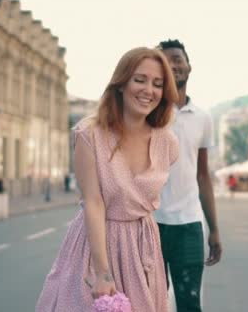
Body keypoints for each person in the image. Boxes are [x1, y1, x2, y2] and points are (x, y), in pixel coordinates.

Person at [35, 47, 179, 312]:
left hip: (143, 247)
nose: (149, 90)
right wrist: (103, 272)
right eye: (140, 79)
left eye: (158, 84)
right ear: (121, 83)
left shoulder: (167, 142)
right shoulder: (90, 134)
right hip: (97, 245)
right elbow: (93, 202)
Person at [155, 39, 222, 311]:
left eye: (178, 59)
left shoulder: (203, 117)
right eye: (165, 60)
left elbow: (202, 175)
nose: (173, 64)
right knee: (152, 303)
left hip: (189, 225)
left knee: (190, 304)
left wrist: (214, 228)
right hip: (151, 224)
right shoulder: (150, 113)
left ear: (189, 66)